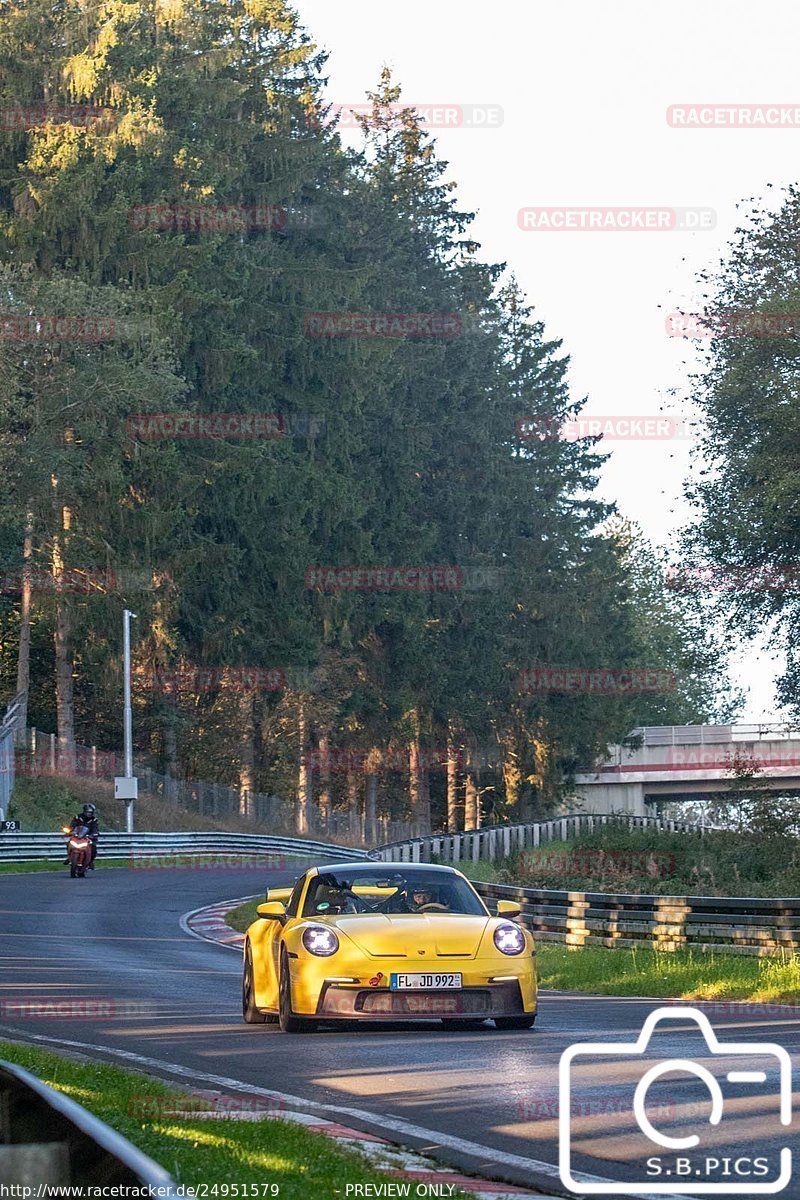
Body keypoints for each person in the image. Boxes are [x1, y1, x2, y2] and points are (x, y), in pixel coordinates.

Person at [69, 803, 99, 868]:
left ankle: (90, 861)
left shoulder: (94, 820)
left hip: (89, 837)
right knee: (69, 842)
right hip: (78, 836)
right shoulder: (78, 817)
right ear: (84, 811)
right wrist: (70, 831)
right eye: (87, 812)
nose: (88, 814)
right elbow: (72, 825)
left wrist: (94, 834)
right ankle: (69, 857)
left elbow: (95, 828)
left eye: (90, 812)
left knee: (93, 848)